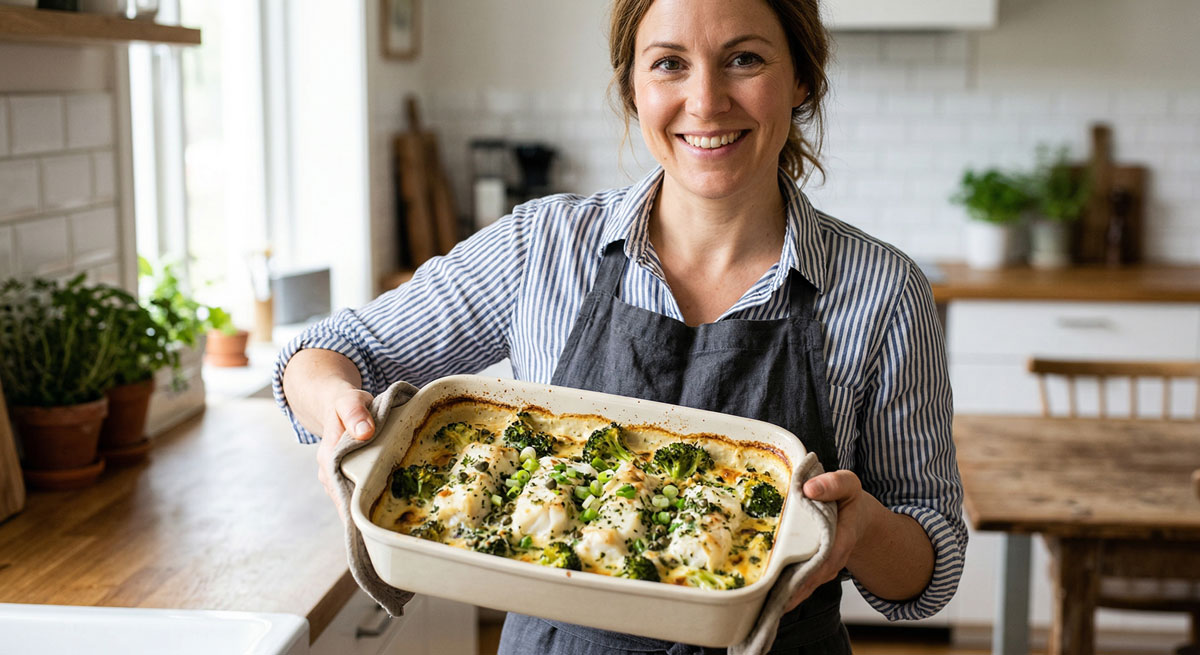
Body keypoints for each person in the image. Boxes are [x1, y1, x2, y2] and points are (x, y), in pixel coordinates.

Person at [274, 0, 966, 652]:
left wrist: (861, 530)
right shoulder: (542, 248)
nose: (705, 101)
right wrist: (342, 412)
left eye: (745, 59)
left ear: (803, 80)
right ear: (632, 88)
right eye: (669, 63)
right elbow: (323, 353)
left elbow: (931, 566)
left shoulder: (882, 292)